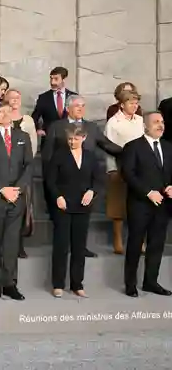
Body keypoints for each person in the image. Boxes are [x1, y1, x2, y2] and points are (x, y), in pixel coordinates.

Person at [41, 94, 121, 258]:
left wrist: (132, 150)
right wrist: (50, 186)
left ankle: (80, 248)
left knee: (82, 224)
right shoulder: (57, 126)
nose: (81, 109)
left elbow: (107, 145)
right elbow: (47, 156)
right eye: (77, 106)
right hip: (63, 184)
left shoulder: (91, 127)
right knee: (62, 228)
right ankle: (64, 251)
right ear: (68, 108)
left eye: (83, 105)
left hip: (85, 185)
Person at [0, 103, 33, 300]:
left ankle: (9, 283)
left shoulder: (22, 136)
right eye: (0, 111)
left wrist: (17, 189)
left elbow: (29, 166)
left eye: (8, 111)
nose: (4, 114)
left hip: (16, 197)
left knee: (11, 243)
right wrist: (2, 189)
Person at [46, 123, 102, 298]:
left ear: (84, 138)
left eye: (76, 139)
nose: (72, 142)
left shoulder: (91, 157)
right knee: (61, 246)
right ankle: (58, 284)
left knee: (79, 247)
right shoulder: (59, 155)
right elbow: (50, 181)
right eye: (69, 139)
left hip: (83, 207)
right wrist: (58, 196)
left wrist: (92, 192)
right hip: (63, 205)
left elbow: (99, 179)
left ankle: (77, 284)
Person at [121, 112, 172, 298]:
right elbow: (128, 174)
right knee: (135, 244)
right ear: (145, 126)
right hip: (140, 204)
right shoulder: (133, 147)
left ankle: (151, 282)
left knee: (156, 245)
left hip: (163, 205)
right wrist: (148, 192)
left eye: (162, 122)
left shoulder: (168, 147)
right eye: (156, 122)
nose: (160, 125)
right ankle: (130, 284)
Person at [104, 90, 144, 254]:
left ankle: (140, 241)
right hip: (120, 165)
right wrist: (111, 169)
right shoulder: (113, 123)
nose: (134, 106)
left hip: (140, 167)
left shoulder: (140, 120)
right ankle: (118, 240)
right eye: (131, 103)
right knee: (118, 205)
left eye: (136, 103)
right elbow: (107, 147)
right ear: (122, 105)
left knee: (140, 206)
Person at [6, 89, 38, 258]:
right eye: (11, 98)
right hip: (5, 171)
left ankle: (19, 245)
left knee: (22, 208)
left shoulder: (28, 120)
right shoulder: (2, 117)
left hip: (23, 171)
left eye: (17, 98)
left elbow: (33, 145)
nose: (15, 100)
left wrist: (27, 165)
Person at [31, 66, 76, 141]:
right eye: (51, 79)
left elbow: (79, 116)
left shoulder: (74, 96)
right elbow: (34, 117)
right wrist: (37, 129)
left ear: (64, 79)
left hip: (70, 140)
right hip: (49, 139)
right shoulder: (43, 97)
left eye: (56, 79)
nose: (52, 82)